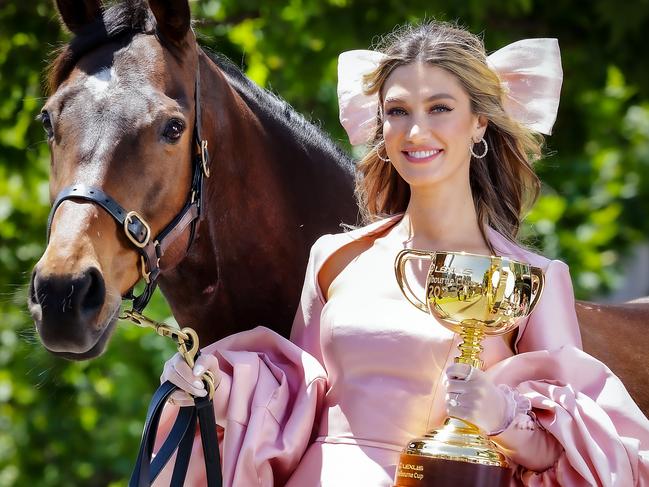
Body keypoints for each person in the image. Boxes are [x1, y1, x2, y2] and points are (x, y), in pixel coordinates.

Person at [153, 21, 649, 486]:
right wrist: (217, 382)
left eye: (439, 108)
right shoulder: (334, 257)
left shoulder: (532, 279)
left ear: (479, 122)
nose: (415, 132)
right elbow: (297, 396)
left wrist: (500, 416)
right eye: (398, 111)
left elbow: (568, 447)